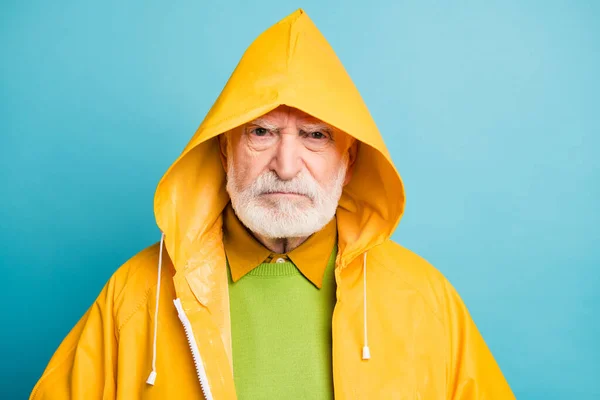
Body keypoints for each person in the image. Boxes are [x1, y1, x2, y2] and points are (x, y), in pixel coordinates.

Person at [30, 8, 515, 400]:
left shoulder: (425, 300)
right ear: (224, 150)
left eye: (315, 136)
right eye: (261, 132)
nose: (286, 165)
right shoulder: (135, 295)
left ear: (348, 161)